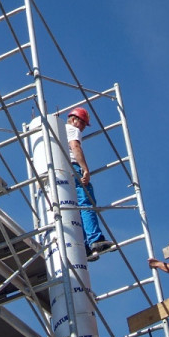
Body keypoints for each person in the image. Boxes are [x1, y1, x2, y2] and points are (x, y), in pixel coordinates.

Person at [65, 107, 111, 260]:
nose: (83, 128)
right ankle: (95, 240)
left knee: (75, 209)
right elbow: (75, 147)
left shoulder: (58, 131)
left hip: (63, 171)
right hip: (74, 167)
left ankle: (85, 246)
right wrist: (85, 169)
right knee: (86, 203)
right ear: (74, 119)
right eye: (83, 123)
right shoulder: (72, 129)